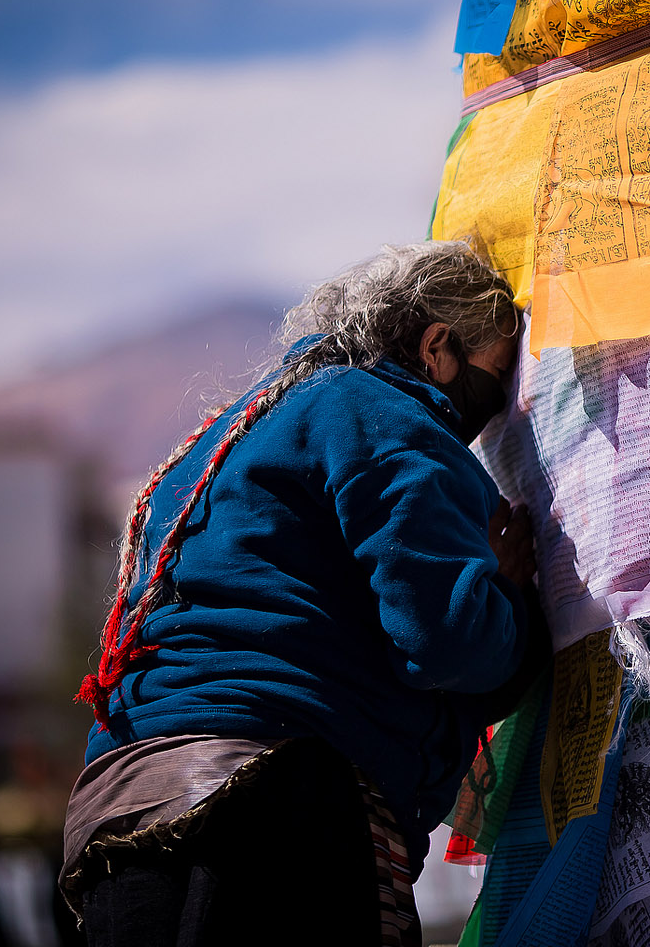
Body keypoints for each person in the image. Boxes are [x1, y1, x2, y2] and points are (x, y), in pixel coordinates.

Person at [57, 241, 547, 946]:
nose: (485, 417)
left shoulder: (232, 433)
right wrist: (507, 595)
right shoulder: (381, 411)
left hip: (113, 824)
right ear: (437, 346)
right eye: (494, 383)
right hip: (274, 808)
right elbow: (451, 642)